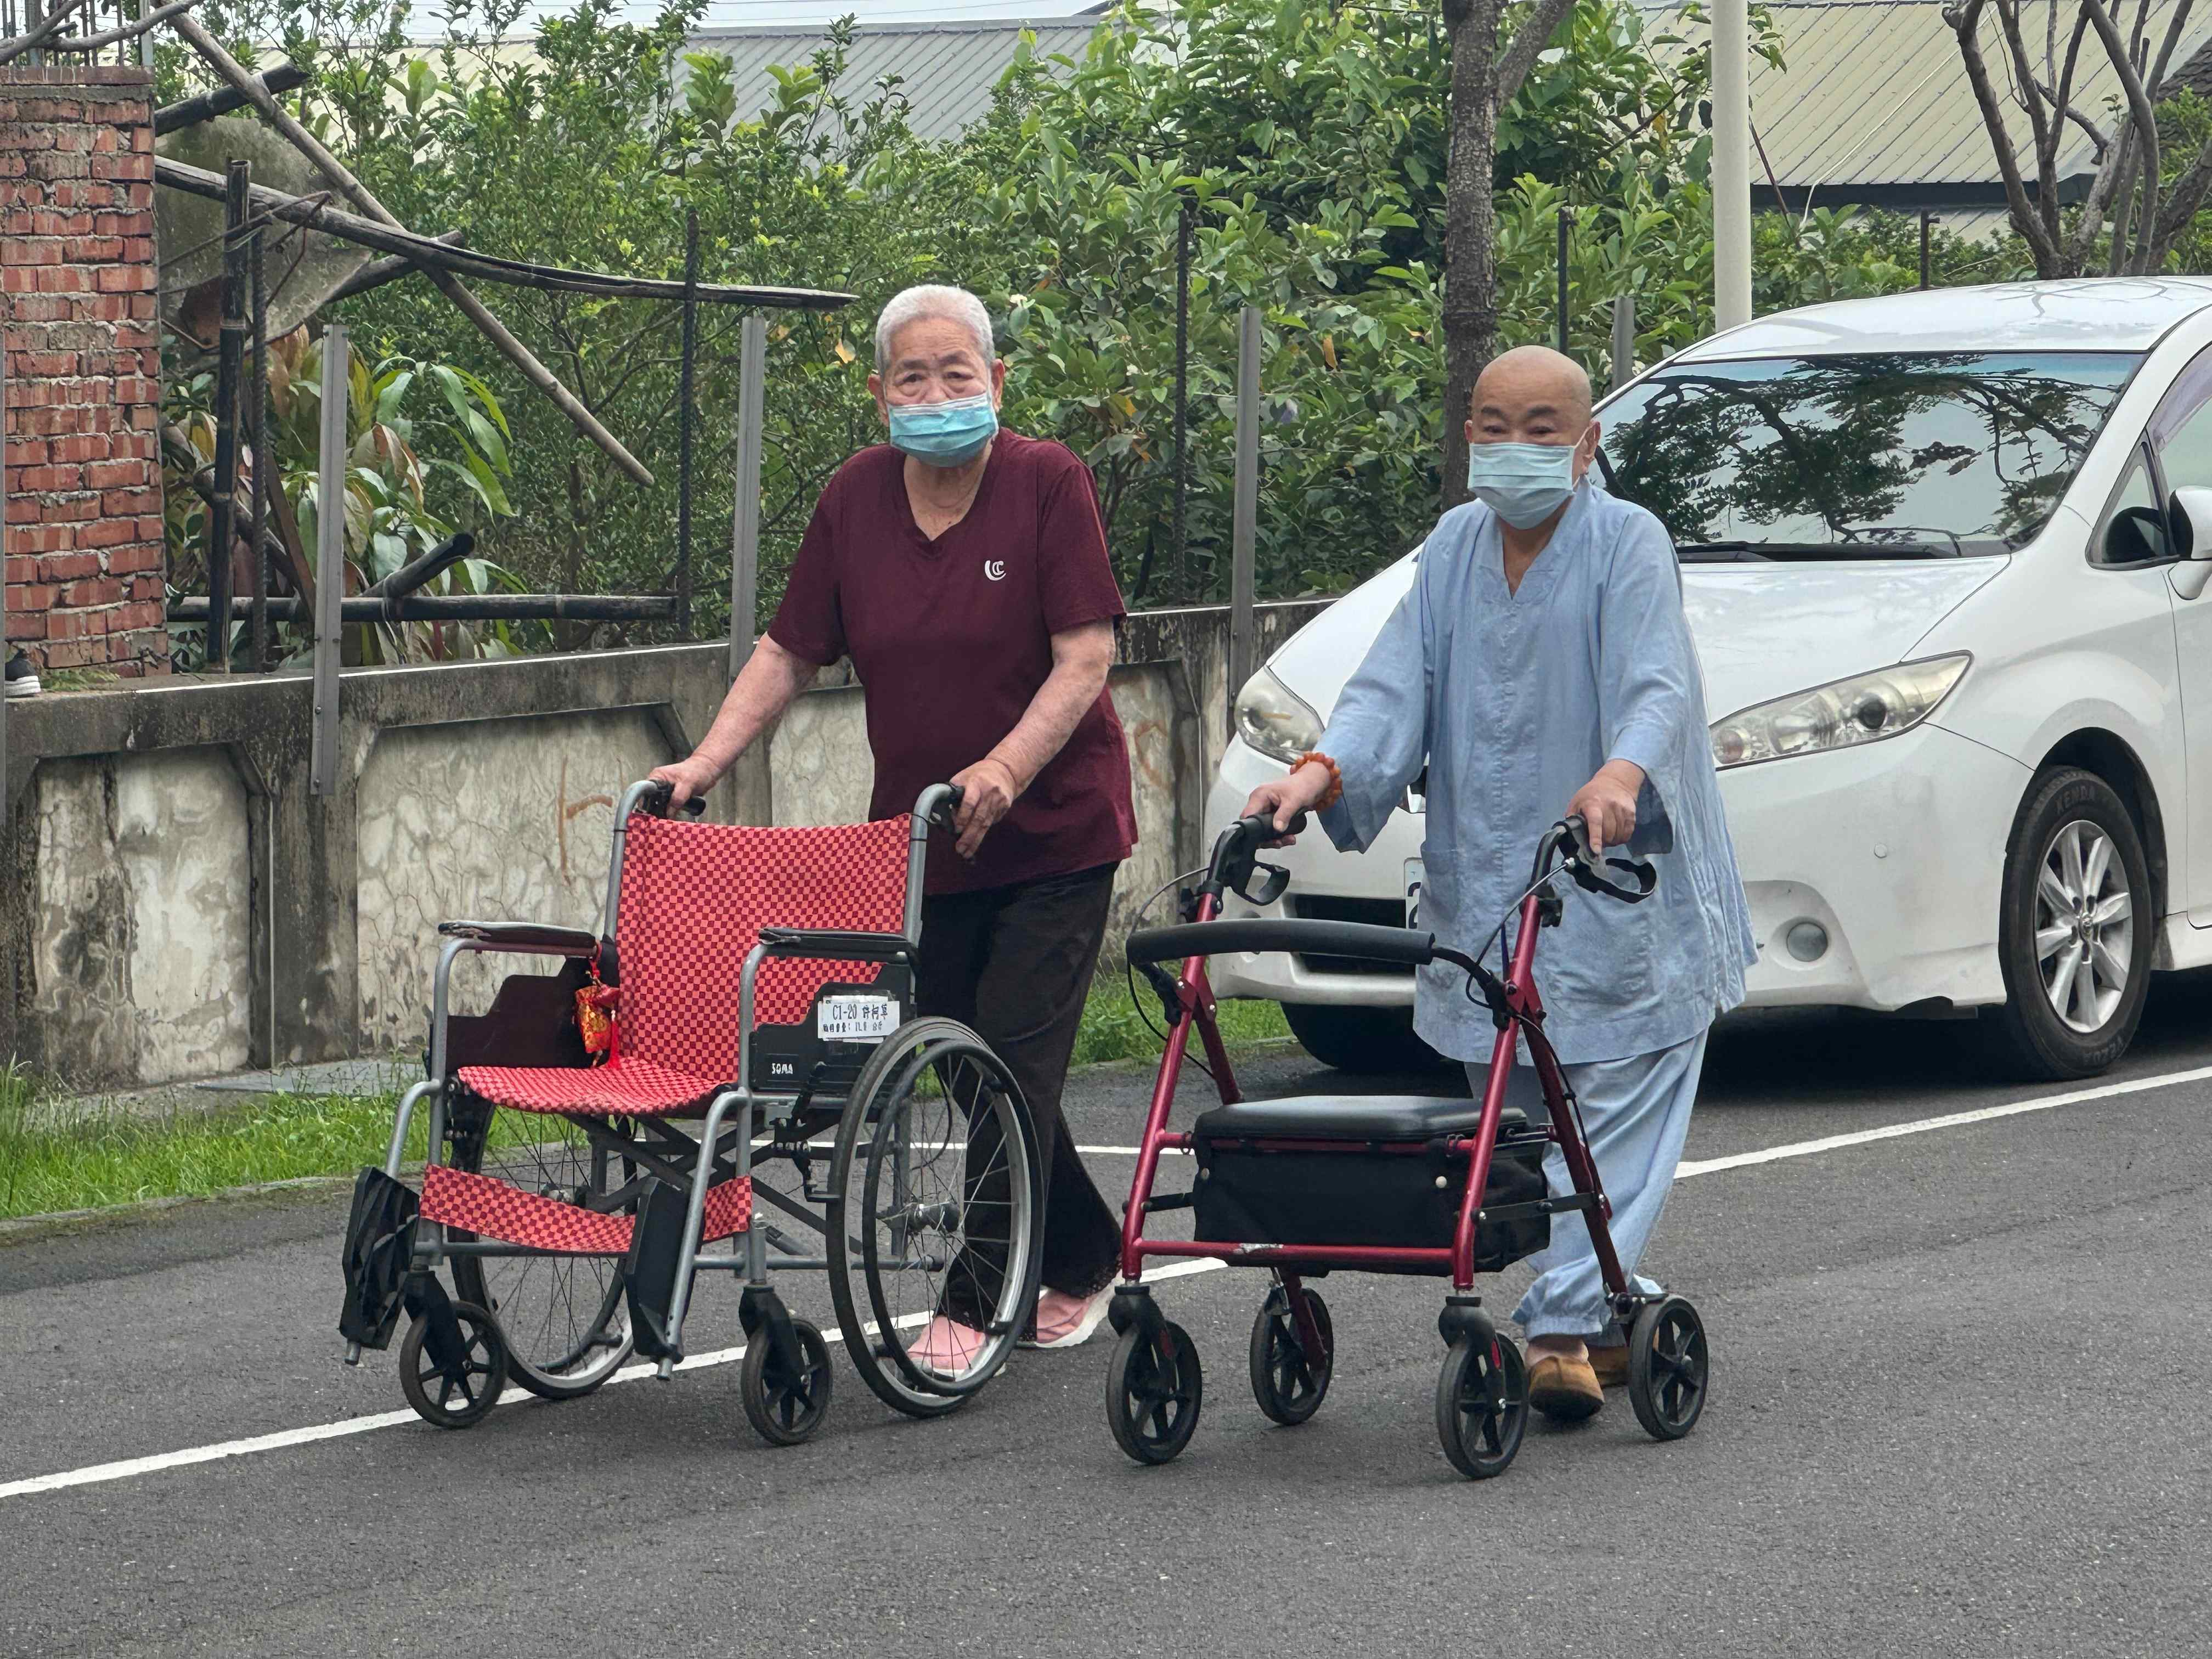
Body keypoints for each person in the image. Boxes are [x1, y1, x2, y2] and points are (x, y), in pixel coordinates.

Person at [1242, 345, 1754, 1421]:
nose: (1513, 447)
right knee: (1515, 1130)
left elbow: (1657, 684)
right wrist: (1323, 771)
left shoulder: (1629, 542)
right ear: (1467, 433)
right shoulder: (1455, 546)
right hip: (1492, 893)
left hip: (1619, 884)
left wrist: (1620, 772)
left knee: (1611, 1105)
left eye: (1540, 426)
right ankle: (1617, 1301)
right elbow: (1393, 686)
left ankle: (1564, 1327)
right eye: (1492, 424)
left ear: (1587, 442)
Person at [650, 284, 1136, 1366]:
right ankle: (1085, 1250)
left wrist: (1008, 769)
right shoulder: (856, 499)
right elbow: (788, 652)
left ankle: (977, 1294)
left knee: (1011, 1061)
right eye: (911, 376)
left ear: (997, 381)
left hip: (1053, 833)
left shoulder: (1048, 483)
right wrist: (707, 759)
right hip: (919, 843)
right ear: (879, 393)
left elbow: (1087, 655)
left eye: (957, 373)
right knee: (962, 1068)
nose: (935, 393)